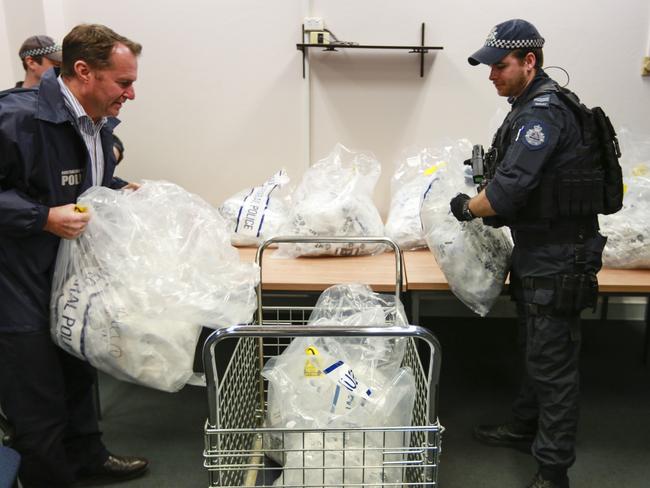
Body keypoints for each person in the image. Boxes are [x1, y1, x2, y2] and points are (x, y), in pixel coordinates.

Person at [450, 19, 607, 488]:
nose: (492, 75)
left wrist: (465, 208)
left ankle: (553, 472)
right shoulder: (533, 105)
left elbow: (504, 195)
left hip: (559, 256)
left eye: (500, 65)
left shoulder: (542, 114)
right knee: (536, 348)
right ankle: (524, 426)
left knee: (553, 364)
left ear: (529, 61)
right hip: (542, 250)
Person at [0, 24, 147, 487]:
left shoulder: (96, 124)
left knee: (78, 371)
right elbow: (41, 198)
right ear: (83, 71)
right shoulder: (16, 120)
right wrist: (42, 217)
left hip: (68, 278)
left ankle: (88, 456)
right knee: (38, 399)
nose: (131, 94)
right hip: (15, 283)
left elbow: (79, 185)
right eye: (123, 82)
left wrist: (121, 192)